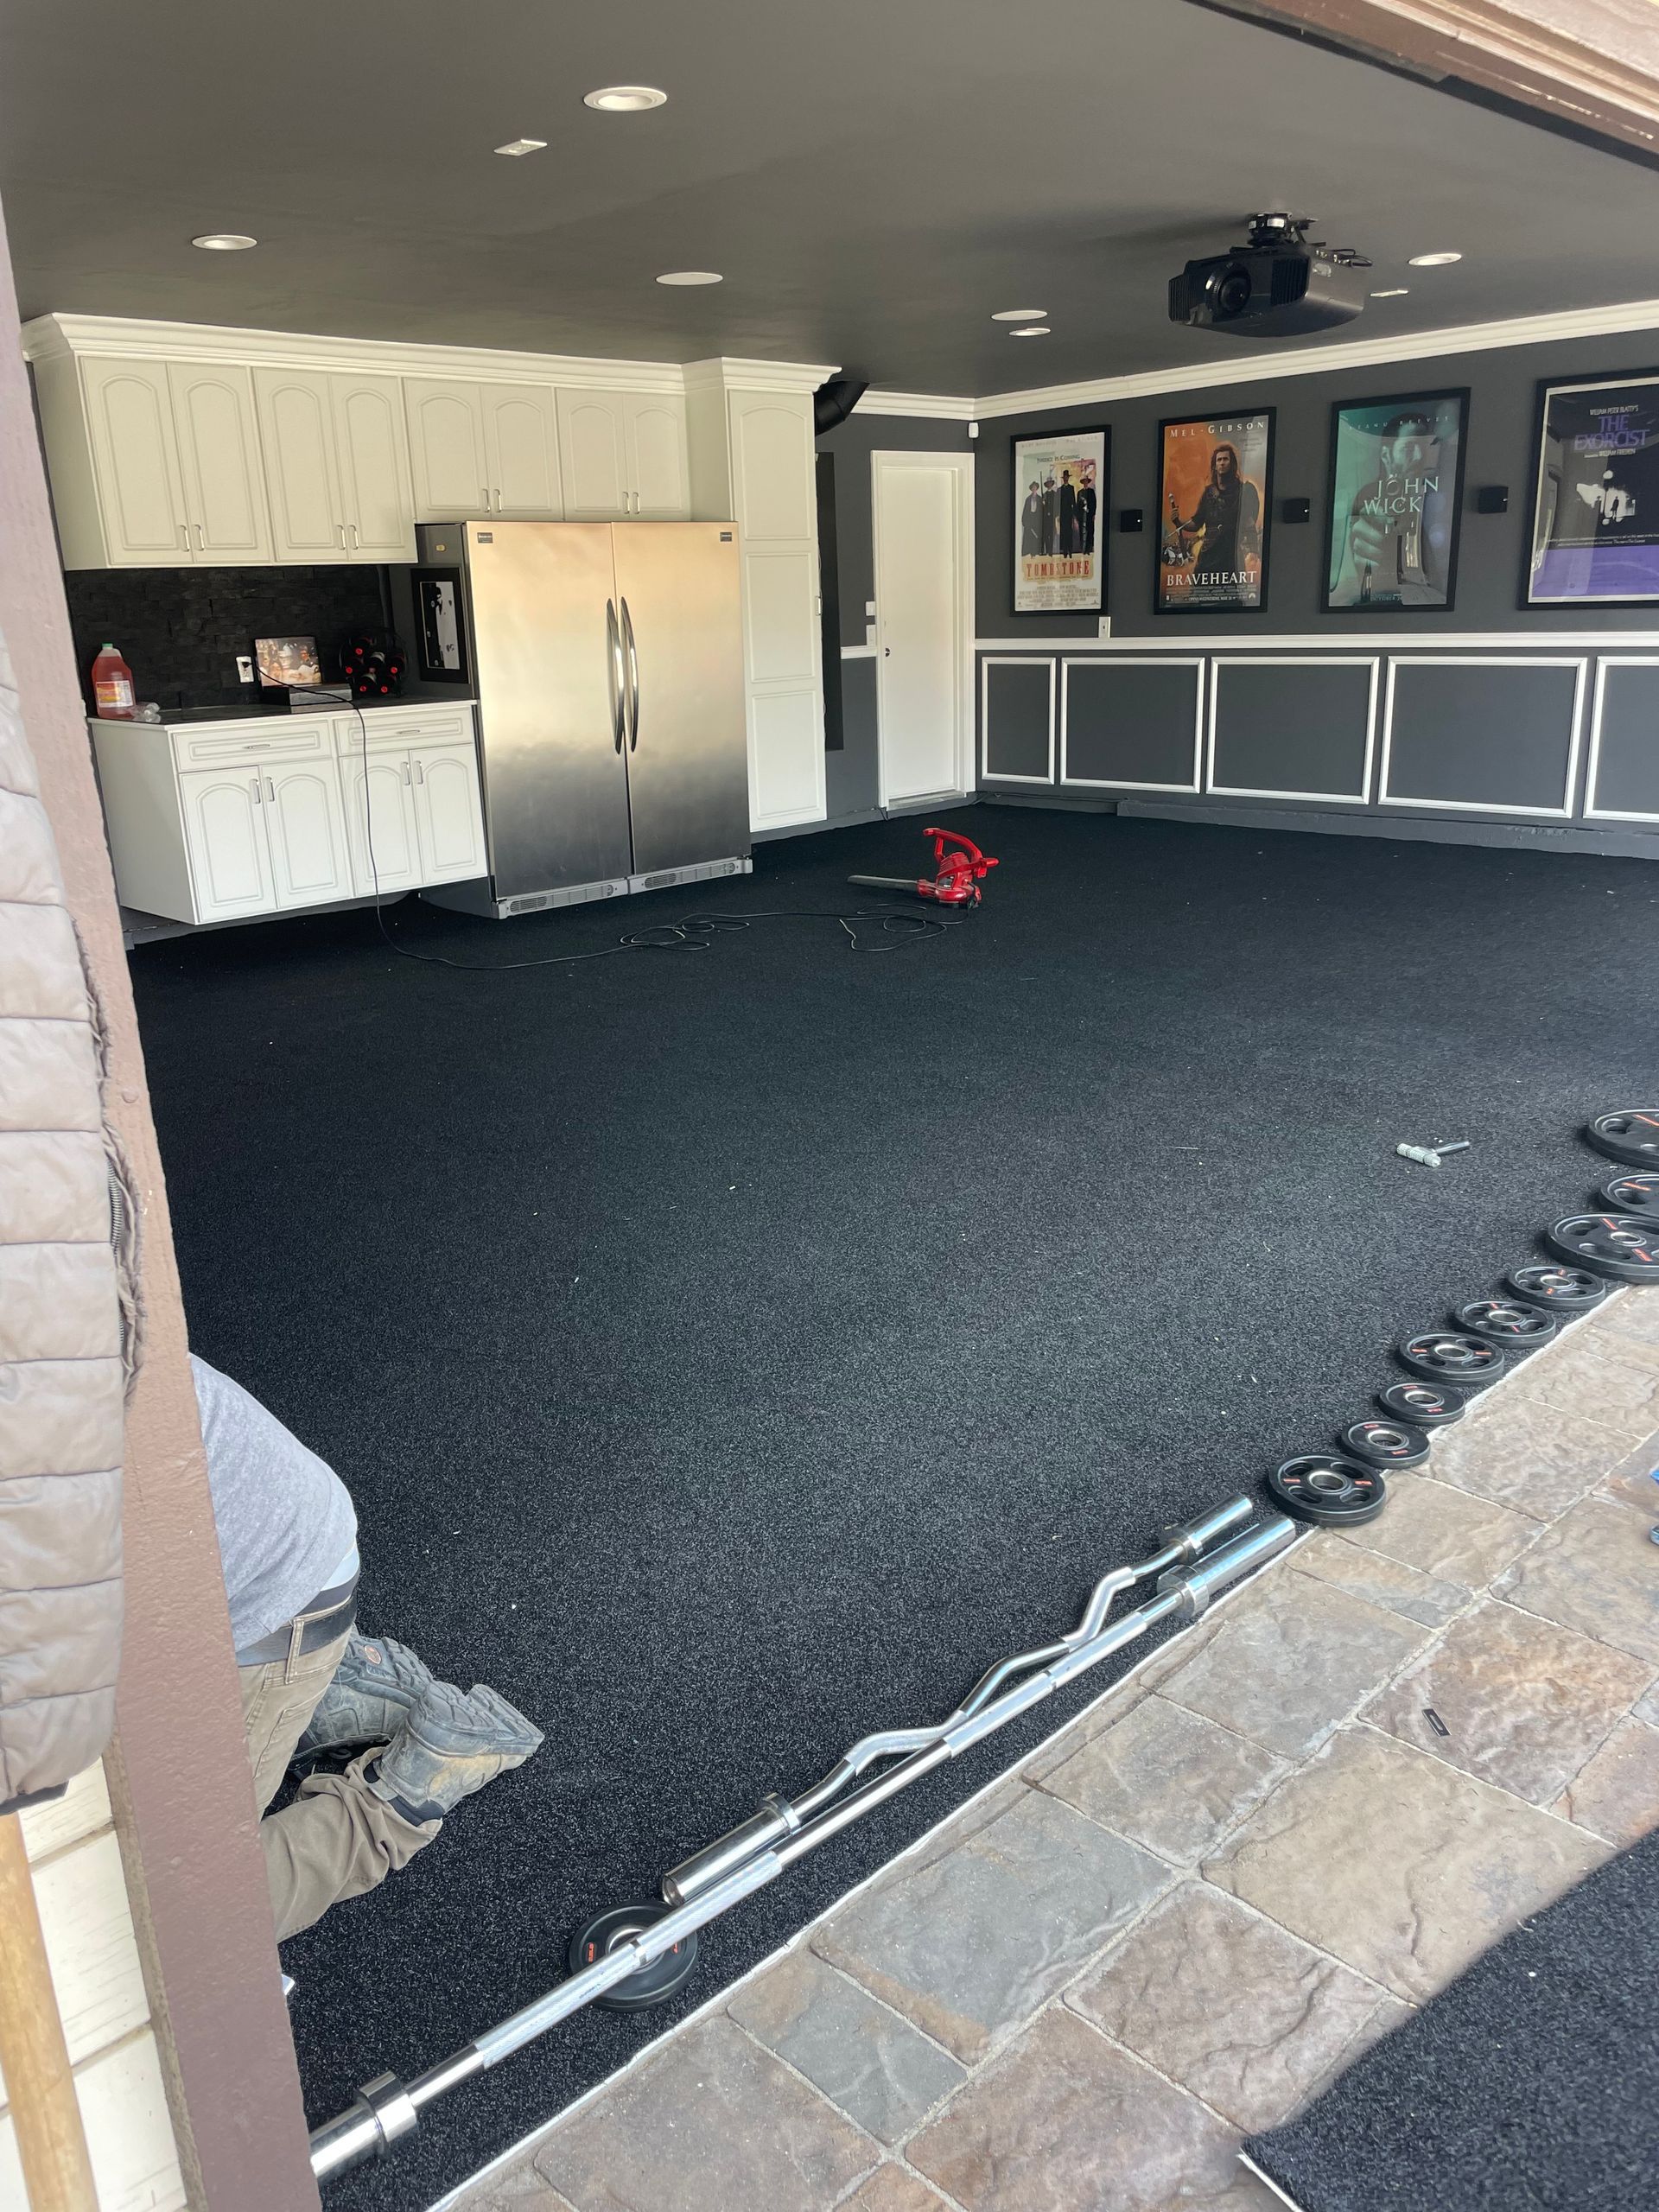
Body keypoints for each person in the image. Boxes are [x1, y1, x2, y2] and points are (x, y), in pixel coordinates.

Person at [194, 1354, 542, 1942]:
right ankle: (319, 1696)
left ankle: (398, 1797)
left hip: (270, 1593)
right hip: (259, 1554)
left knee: (186, 1922)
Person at [1341, 410, 1447, 607]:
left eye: (1425, 446)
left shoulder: (1435, 494)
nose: (1418, 456)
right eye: (1408, 448)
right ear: (1386, 455)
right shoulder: (1369, 497)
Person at [1173, 442, 1259, 593]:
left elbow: (1249, 525)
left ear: (1232, 464)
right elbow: (1196, 524)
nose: (1222, 463)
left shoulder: (1244, 491)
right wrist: (1178, 522)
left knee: (1232, 600)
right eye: (1219, 460)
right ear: (1214, 465)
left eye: (1225, 459)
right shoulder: (1208, 493)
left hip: (1230, 557)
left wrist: (1254, 551)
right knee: (1199, 598)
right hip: (1207, 557)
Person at [1020, 476, 1044, 557]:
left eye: (1035, 487)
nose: (1034, 489)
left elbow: (1042, 511)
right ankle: (1029, 552)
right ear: (1031, 489)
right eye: (1033, 487)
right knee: (1029, 535)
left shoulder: (1040, 499)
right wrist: (1024, 521)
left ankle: (1035, 552)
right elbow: (1025, 511)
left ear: (1037, 488)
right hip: (1030, 518)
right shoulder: (1028, 499)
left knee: (1036, 536)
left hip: (1036, 519)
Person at [1057, 467, 1078, 556]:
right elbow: (1058, 503)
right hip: (1062, 514)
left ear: (1068, 478)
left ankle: (1070, 550)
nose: (1066, 478)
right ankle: (1065, 551)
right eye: (1064, 477)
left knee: (1069, 531)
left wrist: (1074, 514)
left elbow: (1074, 502)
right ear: (1063, 478)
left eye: (1067, 477)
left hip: (1069, 513)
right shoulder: (1059, 490)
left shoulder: (1071, 488)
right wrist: (1058, 515)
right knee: (1063, 532)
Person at [1077, 466, 1097, 556]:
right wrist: (1078, 516)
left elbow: (1094, 503)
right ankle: (1083, 549)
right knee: (1082, 532)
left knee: (1090, 531)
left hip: (1089, 515)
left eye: (1086, 482)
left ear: (1088, 482)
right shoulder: (1080, 492)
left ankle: (1089, 548)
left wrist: (1093, 514)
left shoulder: (1091, 491)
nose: (1085, 483)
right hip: (1082, 515)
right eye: (1084, 482)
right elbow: (1078, 505)